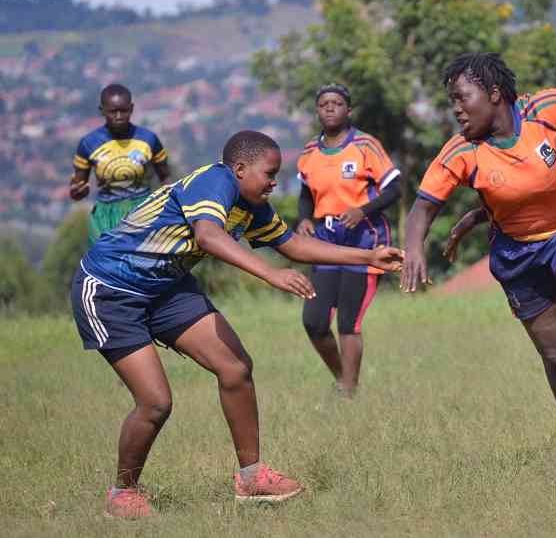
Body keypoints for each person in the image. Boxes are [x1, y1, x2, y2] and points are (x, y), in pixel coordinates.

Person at [71, 130, 403, 518]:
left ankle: (251, 477)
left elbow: (294, 245)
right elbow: (208, 236)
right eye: (270, 173)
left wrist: (368, 256)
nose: (275, 182)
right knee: (156, 402)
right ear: (240, 169)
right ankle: (122, 493)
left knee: (235, 368)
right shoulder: (216, 180)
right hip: (111, 290)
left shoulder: (253, 205)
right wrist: (271, 275)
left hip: (165, 288)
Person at [401, 52, 556, 455]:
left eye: (463, 98)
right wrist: (414, 249)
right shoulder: (461, 151)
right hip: (516, 254)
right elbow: (422, 207)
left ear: (494, 93)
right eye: (452, 102)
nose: (457, 110)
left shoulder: (544, 108)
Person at [296, 83, 401, 397]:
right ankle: (343, 377)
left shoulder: (366, 145)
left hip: (364, 239)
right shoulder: (309, 152)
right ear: (318, 110)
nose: (330, 108)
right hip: (326, 241)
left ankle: (348, 391)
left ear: (348, 110)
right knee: (314, 321)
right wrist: (304, 219)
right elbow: (305, 194)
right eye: (324, 103)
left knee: (347, 322)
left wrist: (361, 210)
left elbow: (394, 189)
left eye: (337, 103)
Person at [71, 84, 171, 245]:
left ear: (131, 109)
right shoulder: (89, 144)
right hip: (105, 216)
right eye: (112, 111)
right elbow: (77, 191)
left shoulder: (149, 139)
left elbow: (166, 179)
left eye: (123, 110)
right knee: (104, 262)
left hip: (143, 211)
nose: (118, 116)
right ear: (102, 110)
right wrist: (78, 191)